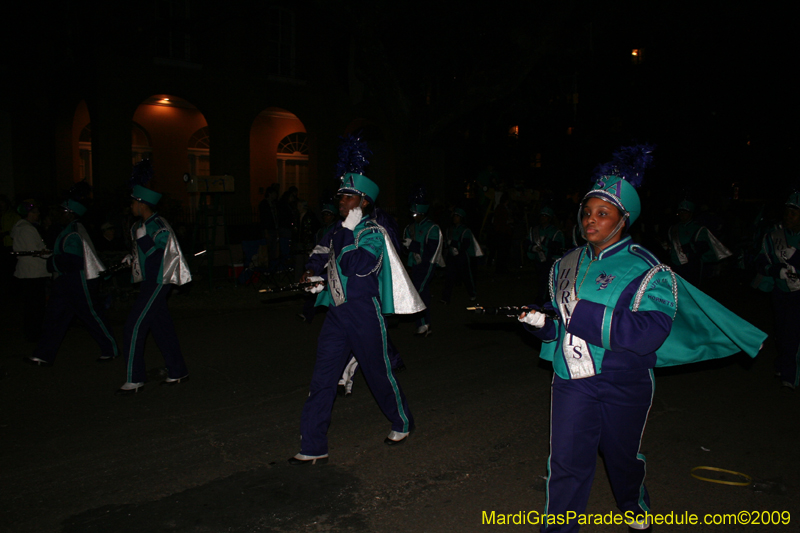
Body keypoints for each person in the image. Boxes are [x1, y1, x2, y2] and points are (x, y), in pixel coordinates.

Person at [518, 148, 765, 533]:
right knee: (566, 462)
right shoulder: (565, 263)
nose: (591, 220)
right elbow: (557, 327)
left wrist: (580, 314)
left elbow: (649, 333)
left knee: (620, 458)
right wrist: (539, 324)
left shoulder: (647, 268)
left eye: (603, 213)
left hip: (624, 381)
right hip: (571, 380)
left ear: (623, 219)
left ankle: (633, 502)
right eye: (587, 212)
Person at [289, 172, 423, 465]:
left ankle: (402, 421)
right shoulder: (337, 230)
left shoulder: (373, 232)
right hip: (337, 313)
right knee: (323, 378)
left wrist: (348, 232)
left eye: (347, 197)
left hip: (364, 313)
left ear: (363, 202)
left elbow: (356, 266)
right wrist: (314, 275)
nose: (340, 201)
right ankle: (314, 445)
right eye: (340, 196)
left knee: (378, 374)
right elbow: (322, 253)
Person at [26, 198, 118, 366]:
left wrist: (51, 261)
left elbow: (74, 260)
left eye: (62, 211)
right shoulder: (69, 229)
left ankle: (110, 349)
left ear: (69, 213)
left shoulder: (74, 231)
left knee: (91, 315)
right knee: (54, 318)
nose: (59, 214)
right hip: (66, 281)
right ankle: (43, 354)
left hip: (78, 281)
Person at [118, 184, 191, 394]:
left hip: (159, 281)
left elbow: (163, 260)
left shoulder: (159, 226)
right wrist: (133, 258)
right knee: (161, 328)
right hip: (149, 282)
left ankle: (135, 379)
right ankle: (178, 371)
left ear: (141, 204)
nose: (131, 206)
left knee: (133, 326)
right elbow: (144, 256)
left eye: (133, 202)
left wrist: (144, 242)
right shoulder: (140, 226)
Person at [756, 191, 800, 390]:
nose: (788, 217)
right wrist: (776, 270)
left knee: (793, 333)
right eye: (787, 212)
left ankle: (792, 374)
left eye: (794, 213)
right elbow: (760, 262)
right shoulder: (773, 235)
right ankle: (782, 365)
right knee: (781, 331)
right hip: (781, 291)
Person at [403, 189, 443, 336]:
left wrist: (412, 245)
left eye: (416, 214)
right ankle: (425, 324)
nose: (414, 217)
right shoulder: (410, 228)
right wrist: (406, 247)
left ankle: (422, 324)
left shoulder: (432, 228)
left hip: (428, 264)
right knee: (422, 293)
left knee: (417, 293)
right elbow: (407, 251)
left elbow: (430, 250)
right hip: (415, 264)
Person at [665, 200, 731, 286]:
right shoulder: (673, 228)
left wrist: (690, 248)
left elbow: (703, 246)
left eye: (685, 212)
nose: (682, 214)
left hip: (692, 266)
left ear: (691, 213)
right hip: (675, 265)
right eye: (680, 212)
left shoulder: (698, 228)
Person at [11, 200, 50, 342]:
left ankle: (33, 331)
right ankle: (34, 333)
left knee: (32, 304)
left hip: (31, 271)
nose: (38, 214)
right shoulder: (26, 229)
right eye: (35, 212)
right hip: (32, 271)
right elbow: (35, 250)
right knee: (35, 305)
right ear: (28, 214)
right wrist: (49, 254)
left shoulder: (24, 227)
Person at [441, 208, 482, 304]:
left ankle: (472, 293)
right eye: (454, 216)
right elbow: (445, 242)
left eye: (457, 216)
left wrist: (456, 246)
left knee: (466, 276)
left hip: (462, 256)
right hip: (451, 256)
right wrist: (448, 245)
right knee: (449, 276)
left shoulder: (465, 230)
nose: (455, 218)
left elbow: (466, 244)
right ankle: (446, 297)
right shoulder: (449, 229)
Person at [526, 206, 565, 302]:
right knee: (540, 281)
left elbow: (559, 248)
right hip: (538, 260)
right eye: (542, 216)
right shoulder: (534, 230)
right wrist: (533, 248)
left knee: (549, 282)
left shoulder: (556, 232)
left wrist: (547, 244)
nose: (543, 218)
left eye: (545, 216)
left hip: (550, 261)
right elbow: (526, 243)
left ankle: (545, 300)